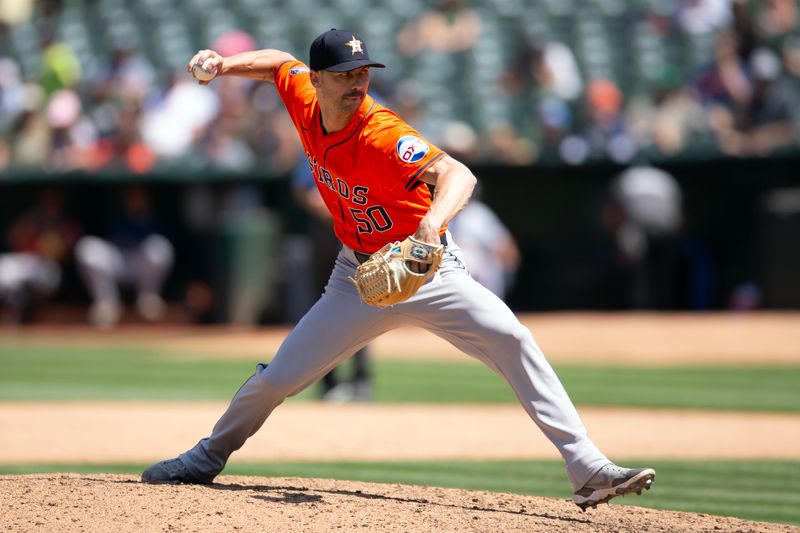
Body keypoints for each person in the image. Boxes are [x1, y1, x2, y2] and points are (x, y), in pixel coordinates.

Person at [141, 29, 656, 510]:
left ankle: (586, 466)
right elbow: (279, 62)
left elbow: (458, 173)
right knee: (278, 379)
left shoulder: (382, 132)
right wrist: (225, 63)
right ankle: (205, 458)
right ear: (318, 80)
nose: (356, 82)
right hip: (354, 278)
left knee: (512, 338)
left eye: (361, 72)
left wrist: (433, 224)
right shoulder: (302, 94)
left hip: (425, 268)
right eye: (343, 73)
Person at [290, 158, 373, 402]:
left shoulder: (357, 153)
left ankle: (360, 380)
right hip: (325, 236)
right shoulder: (311, 156)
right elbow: (304, 193)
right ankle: (330, 383)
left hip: (354, 235)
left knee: (361, 309)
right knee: (324, 310)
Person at [74, 184, 174, 328]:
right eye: (131, 197)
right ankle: (106, 303)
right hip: (117, 262)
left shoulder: (153, 219)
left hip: (140, 264)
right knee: (87, 247)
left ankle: (148, 299)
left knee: (159, 246)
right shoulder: (115, 215)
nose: (135, 200)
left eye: (139, 197)